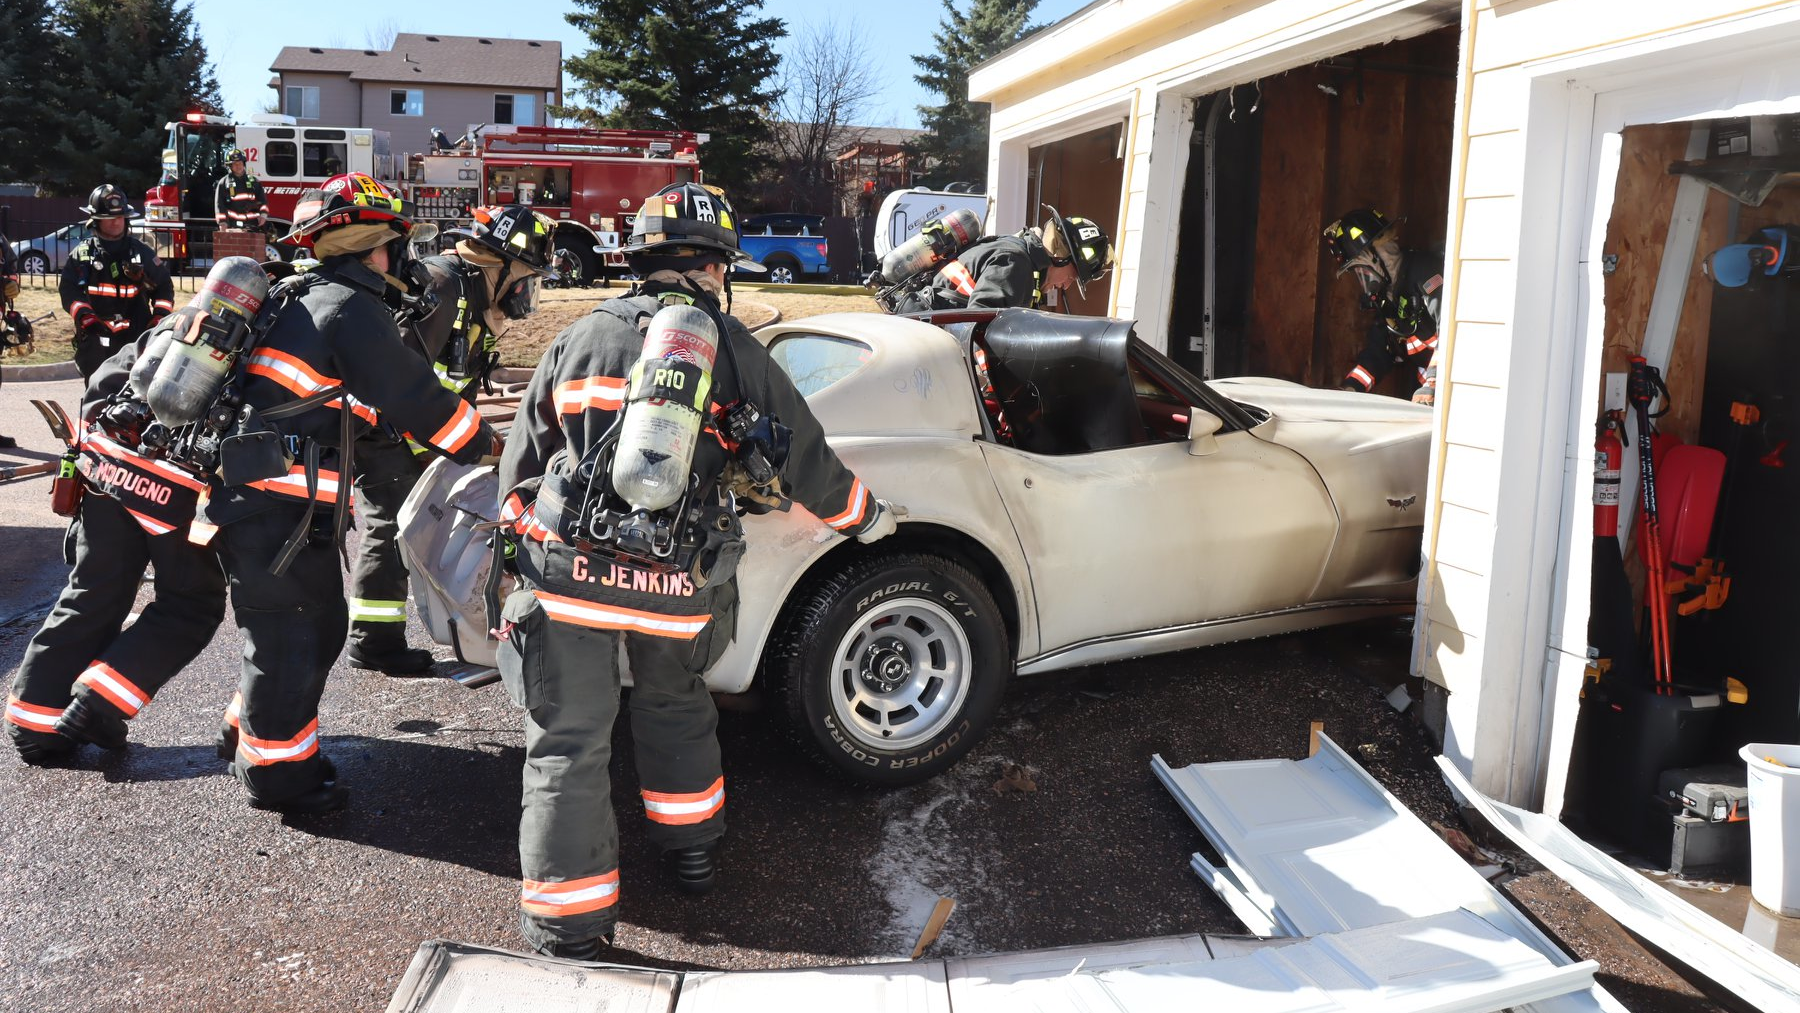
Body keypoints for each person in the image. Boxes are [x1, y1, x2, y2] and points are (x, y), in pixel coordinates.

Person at [497, 181, 897, 959]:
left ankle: (567, 924)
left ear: (638, 260)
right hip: (675, 579)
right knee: (676, 704)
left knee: (566, 743)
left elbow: (523, 461)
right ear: (717, 266)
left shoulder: (578, 336)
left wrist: (516, 546)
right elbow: (807, 459)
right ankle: (692, 852)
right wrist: (866, 518)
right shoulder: (732, 347)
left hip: (569, 575)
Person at [203, 172, 502, 814]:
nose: (402, 259)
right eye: (397, 245)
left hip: (266, 501)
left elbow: (332, 399)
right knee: (297, 633)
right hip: (277, 505)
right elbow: (414, 395)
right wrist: (487, 444)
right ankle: (280, 776)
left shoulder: (299, 294)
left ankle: (247, 732)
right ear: (375, 246)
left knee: (296, 628)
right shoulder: (349, 306)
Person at [345, 204, 556, 674]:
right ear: (500, 265)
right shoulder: (441, 287)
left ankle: (383, 635)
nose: (527, 292)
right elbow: (395, 378)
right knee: (391, 525)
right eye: (527, 278)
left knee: (412, 522)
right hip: (382, 431)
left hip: (413, 434)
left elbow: (451, 384)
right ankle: (373, 642)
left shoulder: (473, 294)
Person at [5, 325, 227, 765]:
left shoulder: (180, 322)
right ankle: (96, 704)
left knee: (93, 590)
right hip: (177, 490)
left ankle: (33, 724)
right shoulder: (262, 333)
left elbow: (106, 380)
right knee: (191, 605)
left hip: (108, 472)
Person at [1322, 208, 1444, 404]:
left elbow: (1451, 332)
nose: (1364, 279)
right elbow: (1378, 354)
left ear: (1380, 255)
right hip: (1430, 389)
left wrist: (1434, 382)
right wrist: (1349, 389)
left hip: (1455, 385)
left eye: (1363, 270)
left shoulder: (1427, 274)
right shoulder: (1389, 298)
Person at [893, 207, 1112, 312]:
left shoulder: (1022, 259)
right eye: (1072, 277)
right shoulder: (1016, 263)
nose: (1066, 286)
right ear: (1061, 255)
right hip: (921, 340)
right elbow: (980, 323)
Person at [59, 185, 173, 381]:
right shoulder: (82, 255)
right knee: (97, 385)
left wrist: (159, 318)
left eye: (120, 217)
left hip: (137, 336)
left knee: (137, 387)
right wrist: (86, 317)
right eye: (109, 218)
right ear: (96, 220)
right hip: (97, 334)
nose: (116, 222)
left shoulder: (142, 253)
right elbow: (69, 291)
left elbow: (164, 287)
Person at [213, 148, 269, 231]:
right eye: (234, 164)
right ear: (230, 166)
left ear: (244, 164)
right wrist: (222, 222)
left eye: (240, 163)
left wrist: (263, 215)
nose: (238, 166)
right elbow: (220, 204)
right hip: (233, 226)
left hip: (253, 226)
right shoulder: (224, 183)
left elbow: (263, 201)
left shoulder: (254, 181)